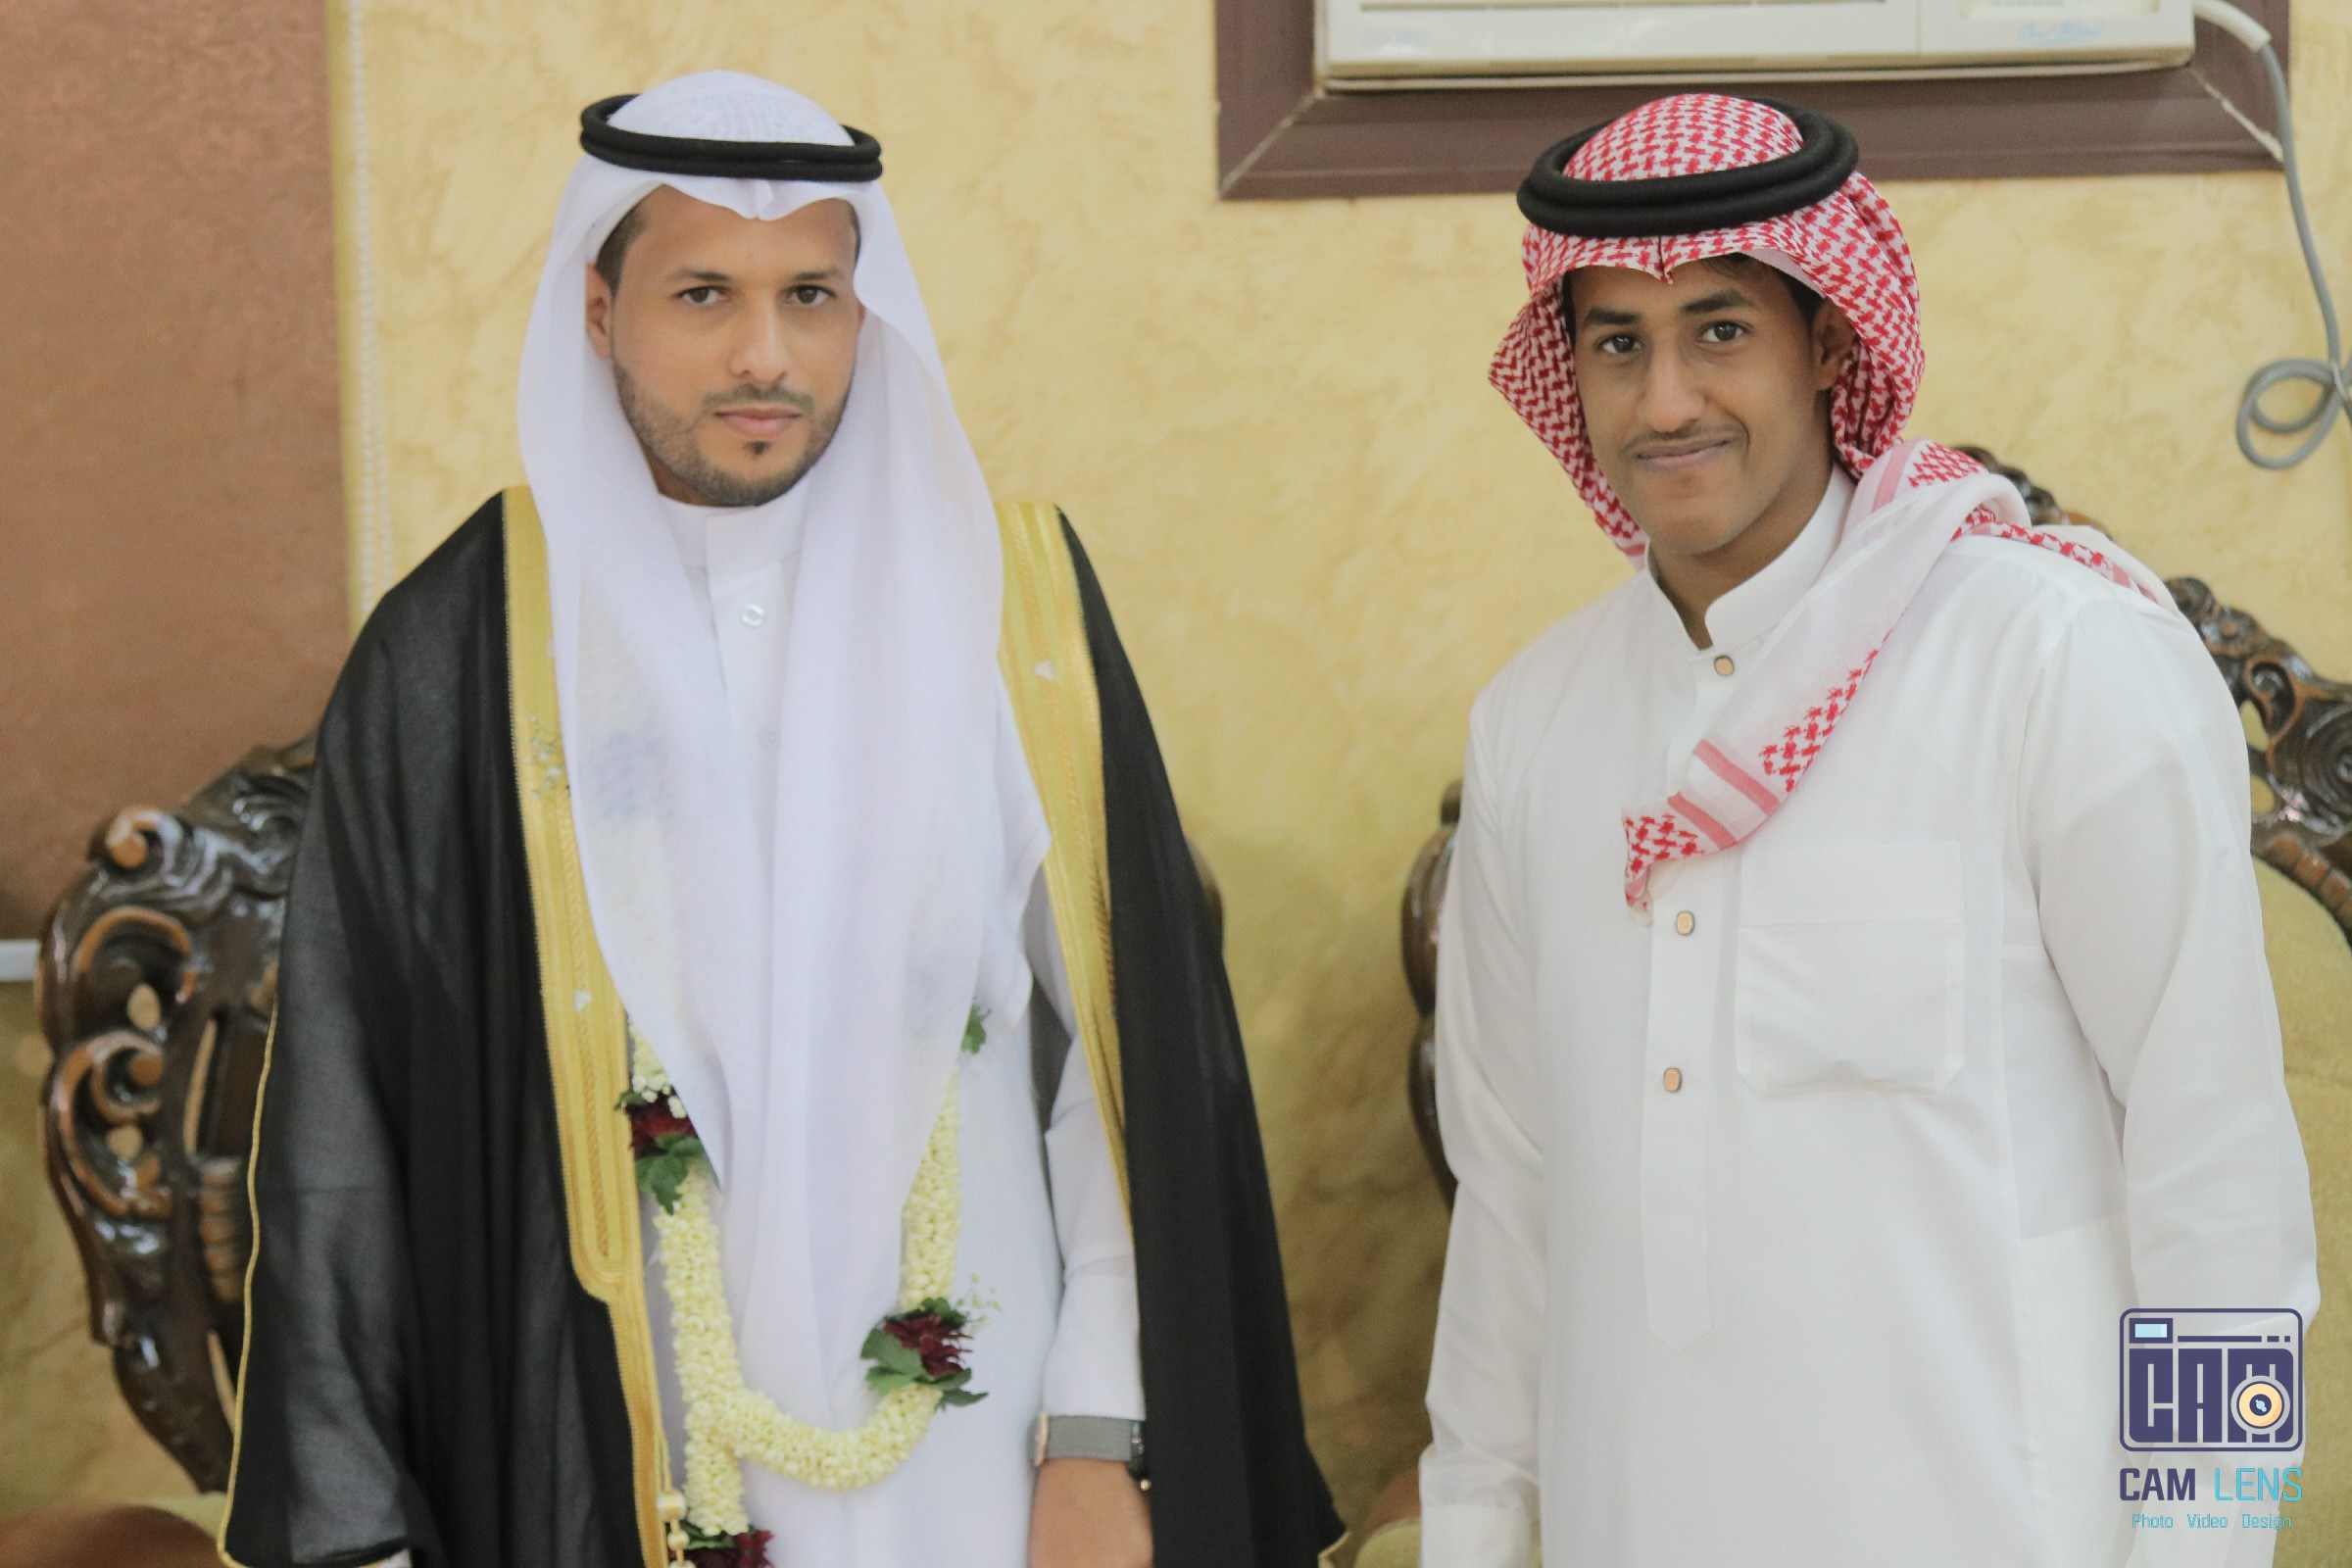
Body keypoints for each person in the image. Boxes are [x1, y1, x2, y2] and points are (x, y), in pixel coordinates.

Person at [220, 71, 1339, 1568]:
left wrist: (1099, 1427)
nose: (766, 355)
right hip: (631, 1457)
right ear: (600, 312)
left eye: (810, 295)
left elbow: (1127, 1071)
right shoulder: (464, 652)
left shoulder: (1009, 612)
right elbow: (343, 1140)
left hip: (994, 1462)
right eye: (704, 295)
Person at [1418, 92, 2318, 1568]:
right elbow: (1510, 1205)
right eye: (1617, 343)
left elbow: (2215, 1165)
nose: (1664, 403)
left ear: (1833, 343)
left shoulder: (2051, 657)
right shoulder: (1534, 727)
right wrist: (1472, 1535)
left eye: (1721, 330)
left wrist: (2208, 1543)